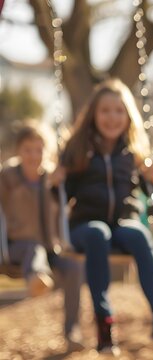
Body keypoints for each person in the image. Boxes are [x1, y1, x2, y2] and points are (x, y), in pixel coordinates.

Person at [51, 79, 153, 357]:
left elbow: (152, 196)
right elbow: (62, 197)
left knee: (138, 233)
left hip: (123, 224)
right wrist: (56, 183)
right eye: (105, 110)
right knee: (97, 232)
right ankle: (104, 320)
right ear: (93, 114)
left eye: (118, 110)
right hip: (84, 227)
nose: (112, 117)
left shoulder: (134, 153)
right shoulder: (78, 150)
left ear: (128, 116)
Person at [0, 122, 85, 351]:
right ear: (19, 150)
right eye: (28, 149)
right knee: (32, 250)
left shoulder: (52, 177)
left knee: (74, 267)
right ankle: (37, 278)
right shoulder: (7, 176)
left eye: (39, 150)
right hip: (14, 248)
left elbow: (62, 208)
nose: (33, 155)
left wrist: (56, 187)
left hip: (49, 248)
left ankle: (72, 330)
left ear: (45, 152)